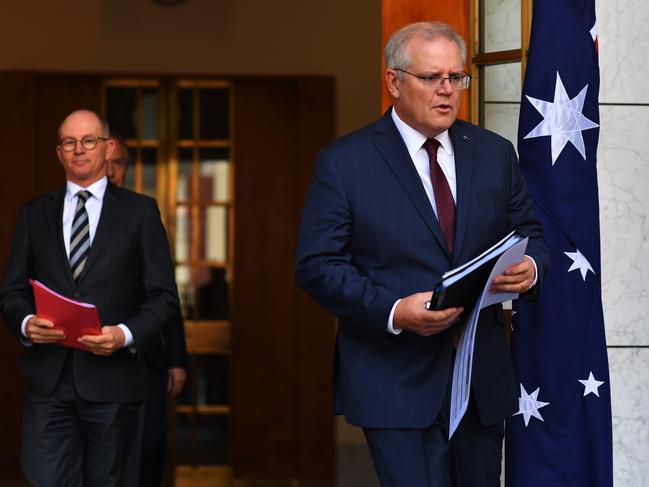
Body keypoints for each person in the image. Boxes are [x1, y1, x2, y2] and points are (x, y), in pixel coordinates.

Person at [295, 21, 548, 486]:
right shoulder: (345, 162)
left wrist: (529, 267)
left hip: (480, 380)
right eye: (432, 78)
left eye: (456, 78)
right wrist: (394, 311)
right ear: (394, 81)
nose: (447, 90)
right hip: (395, 380)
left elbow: (530, 232)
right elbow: (317, 266)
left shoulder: (494, 153)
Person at [0, 109, 180, 486]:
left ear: (107, 147)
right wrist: (26, 323)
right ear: (59, 153)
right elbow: (12, 291)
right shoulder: (34, 214)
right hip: (50, 382)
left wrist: (125, 334)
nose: (79, 150)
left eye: (88, 141)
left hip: (114, 382)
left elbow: (163, 296)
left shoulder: (140, 212)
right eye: (69, 142)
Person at [107, 134, 189, 486]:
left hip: (145, 360)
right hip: (85, 363)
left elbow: (165, 292)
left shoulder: (142, 212)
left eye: (119, 163)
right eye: (104, 163)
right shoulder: (65, 215)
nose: (110, 172)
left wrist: (177, 358)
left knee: (149, 451)